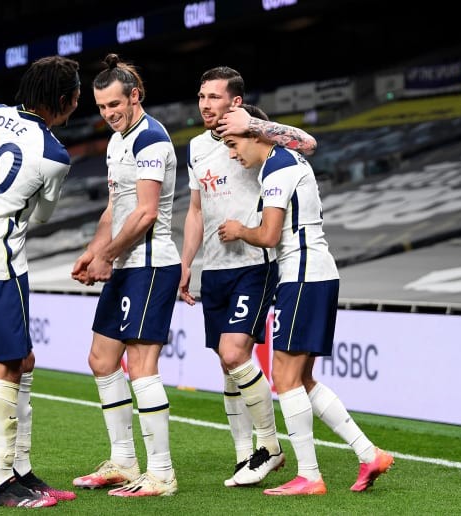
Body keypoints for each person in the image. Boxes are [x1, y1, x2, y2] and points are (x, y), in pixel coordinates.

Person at [216, 120, 395, 496]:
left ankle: (310, 475)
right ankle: (369, 453)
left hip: (302, 275)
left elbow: (267, 235)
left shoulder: (277, 168)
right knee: (303, 379)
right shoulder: (289, 158)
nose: (233, 154)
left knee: (284, 379)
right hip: (317, 274)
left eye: (234, 144)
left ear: (255, 135)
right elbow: (308, 142)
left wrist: (238, 230)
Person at [0, 55, 81, 509]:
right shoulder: (54, 156)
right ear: (64, 101)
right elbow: (41, 216)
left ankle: (21, 469)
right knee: (7, 365)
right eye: (76, 97)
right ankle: (1, 481)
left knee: (23, 359)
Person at [179, 66, 318, 488]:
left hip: (254, 264)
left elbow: (308, 144)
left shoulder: (259, 134)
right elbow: (196, 211)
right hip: (215, 267)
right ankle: (245, 454)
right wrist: (187, 264)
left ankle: (269, 446)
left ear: (235, 102)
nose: (205, 104)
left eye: (214, 97)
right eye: (201, 96)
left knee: (234, 354)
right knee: (227, 366)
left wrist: (257, 125)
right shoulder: (197, 148)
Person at [70, 54, 180, 497]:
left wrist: (108, 256)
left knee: (141, 366)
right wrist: (93, 251)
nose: (109, 114)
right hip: (126, 264)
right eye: (101, 108)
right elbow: (115, 209)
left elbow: (146, 214)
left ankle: (162, 473)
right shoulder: (118, 141)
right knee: (101, 358)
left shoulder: (151, 139)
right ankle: (123, 460)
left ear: (135, 96)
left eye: (115, 104)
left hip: (150, 264)